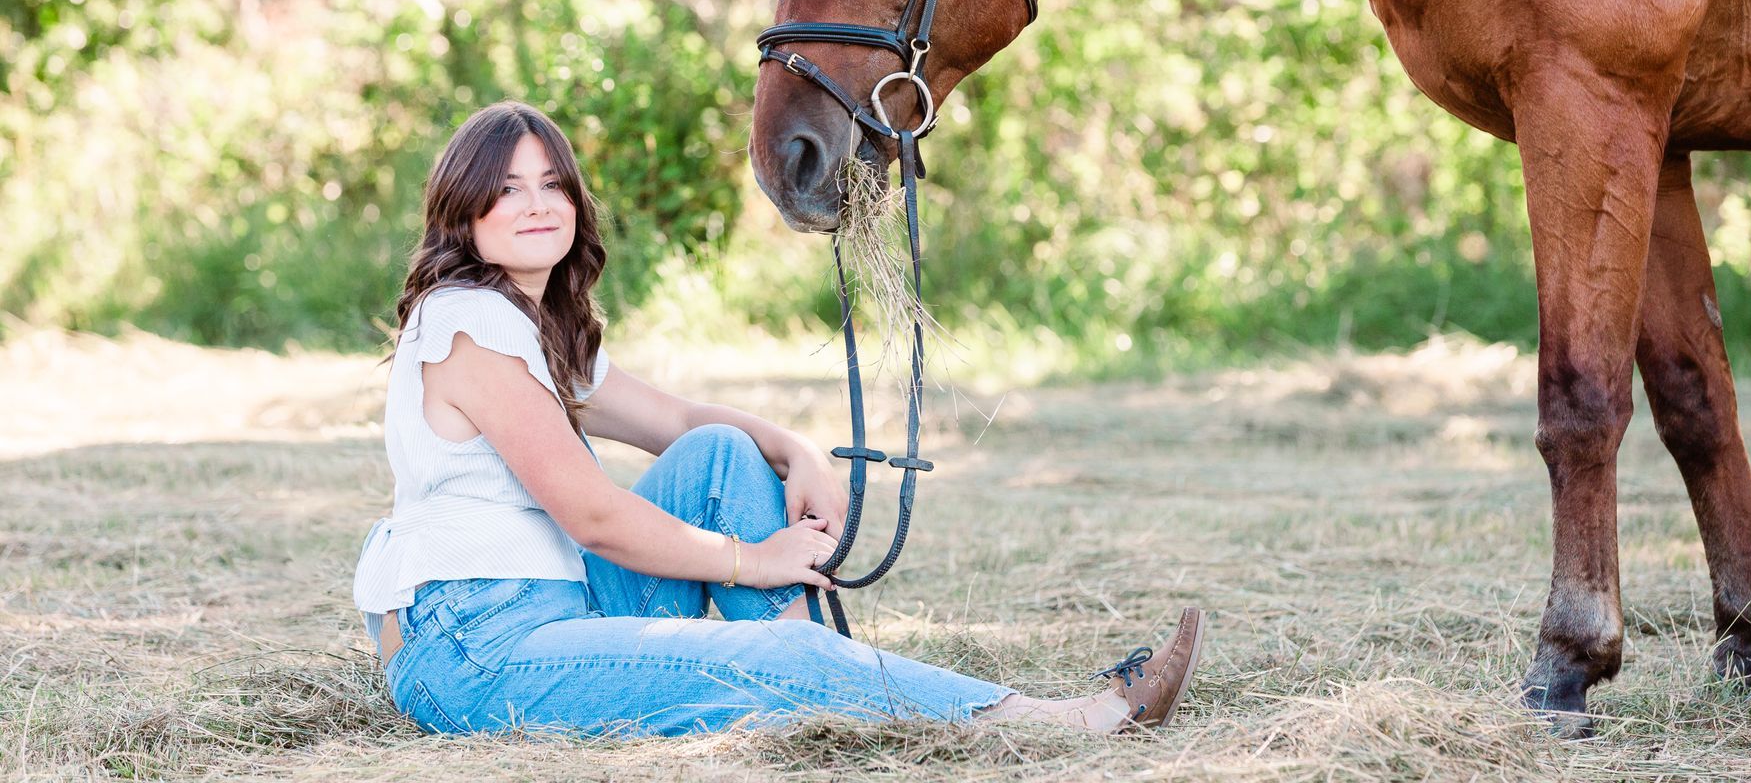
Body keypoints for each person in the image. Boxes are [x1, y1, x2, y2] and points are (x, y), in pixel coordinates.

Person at [352, 100, 1206, 738]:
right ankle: (1060, 722)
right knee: (778, 656)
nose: (537, 204)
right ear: (464, 211)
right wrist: (750, 560)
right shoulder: (469, 322)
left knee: (722, 454)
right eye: (505, 190)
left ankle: (819, 683)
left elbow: (682, 420)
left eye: (551, 184)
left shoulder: (535, 324)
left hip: (553, 602)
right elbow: (594, 515)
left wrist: (795, 450)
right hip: (474, 647)